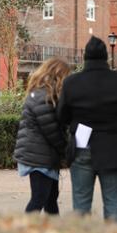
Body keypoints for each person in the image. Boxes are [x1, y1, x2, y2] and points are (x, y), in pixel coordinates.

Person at [57, 36, 117, 223]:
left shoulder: (71, 82)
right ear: (105, 58)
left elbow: (61, 116)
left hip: (81, 147)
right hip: (112, 147)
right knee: (113, 202)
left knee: (81, 204)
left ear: (85, 57)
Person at [14, 58, 70, 214]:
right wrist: (66, 151)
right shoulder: (43, 96)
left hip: (40, 155)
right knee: (39, 199)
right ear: (58, 75)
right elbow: (51, 130)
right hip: (39, 157)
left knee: (50, 199)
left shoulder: (41, 93)